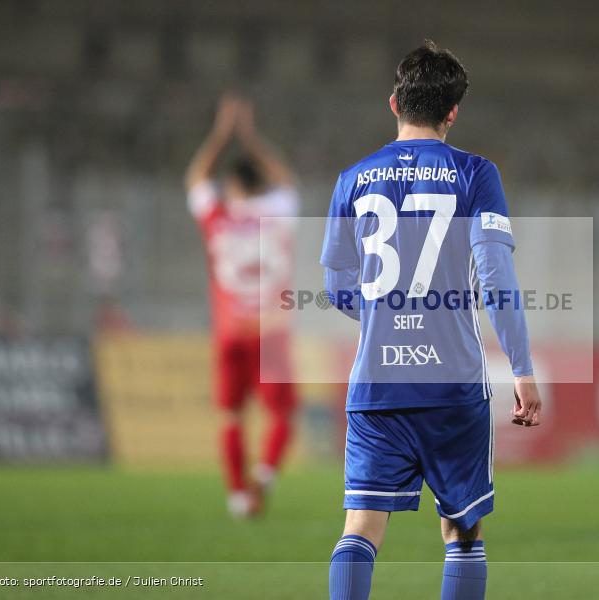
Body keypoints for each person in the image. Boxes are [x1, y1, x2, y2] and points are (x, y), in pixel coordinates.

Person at [320, 42, 543, 600]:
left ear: (394, 102)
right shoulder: (476, 174)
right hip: (454, 386)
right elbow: (495, 280)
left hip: (377, 383)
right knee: (462, 530)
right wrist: (522, 369)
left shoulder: (352, 179)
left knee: (360, 529)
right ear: (453, 112)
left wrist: (382, 317)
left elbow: (334, 286)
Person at [185, 94, 299, 518]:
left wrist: (222, 133)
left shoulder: (218, 215)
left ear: (232, 187)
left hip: (230, 331)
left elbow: (196, 175)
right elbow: (285, 179)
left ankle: (237, 496)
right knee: (283, 415)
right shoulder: (278, 210)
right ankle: (263, 477)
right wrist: (251, 138)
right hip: (270, 329)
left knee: (231, 417)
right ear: (260, 185)